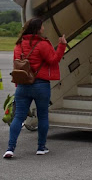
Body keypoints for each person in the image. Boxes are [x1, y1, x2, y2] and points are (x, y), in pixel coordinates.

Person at [4, 17, 66, 158]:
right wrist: (61, 45)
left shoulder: (18, 45)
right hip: (41, 85)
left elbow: (17, 66)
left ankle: (10, 148)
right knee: (43, 116)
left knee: (18, 117)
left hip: (23, 85)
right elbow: (53, 60)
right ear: (38, 29)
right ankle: (41, 147)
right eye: (42, 26)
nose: (44, 28)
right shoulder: (42, 44)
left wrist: (18, 85)